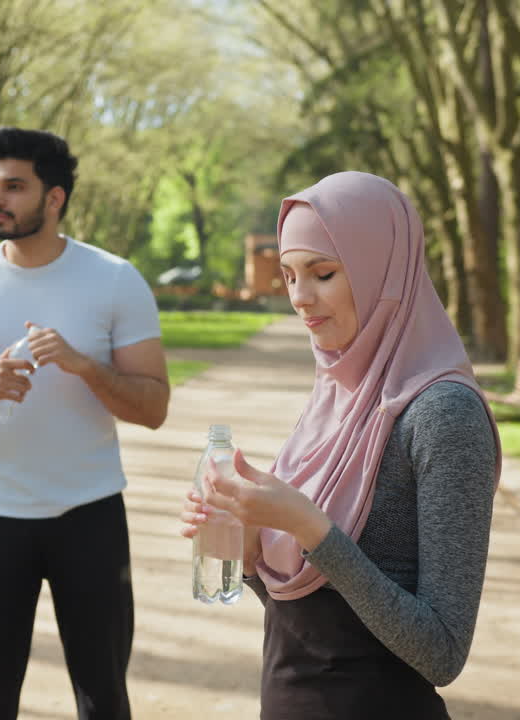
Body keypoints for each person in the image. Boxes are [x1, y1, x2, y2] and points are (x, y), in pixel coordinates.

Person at [180, 172, 501, 719]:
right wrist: (252, 546)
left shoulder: (443, 414)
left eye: (323, 273)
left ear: (384, 270)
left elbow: (441, 652)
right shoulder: (335, 400)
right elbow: (314, 626)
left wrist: (309, 526)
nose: (300, 298)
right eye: (287, 276)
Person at [0, 127, 169, 720]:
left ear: (54, 199)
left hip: (90, 514)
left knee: (104, 698)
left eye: (14, 186)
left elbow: (153, 408)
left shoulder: (116, 280)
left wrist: (84, 367)